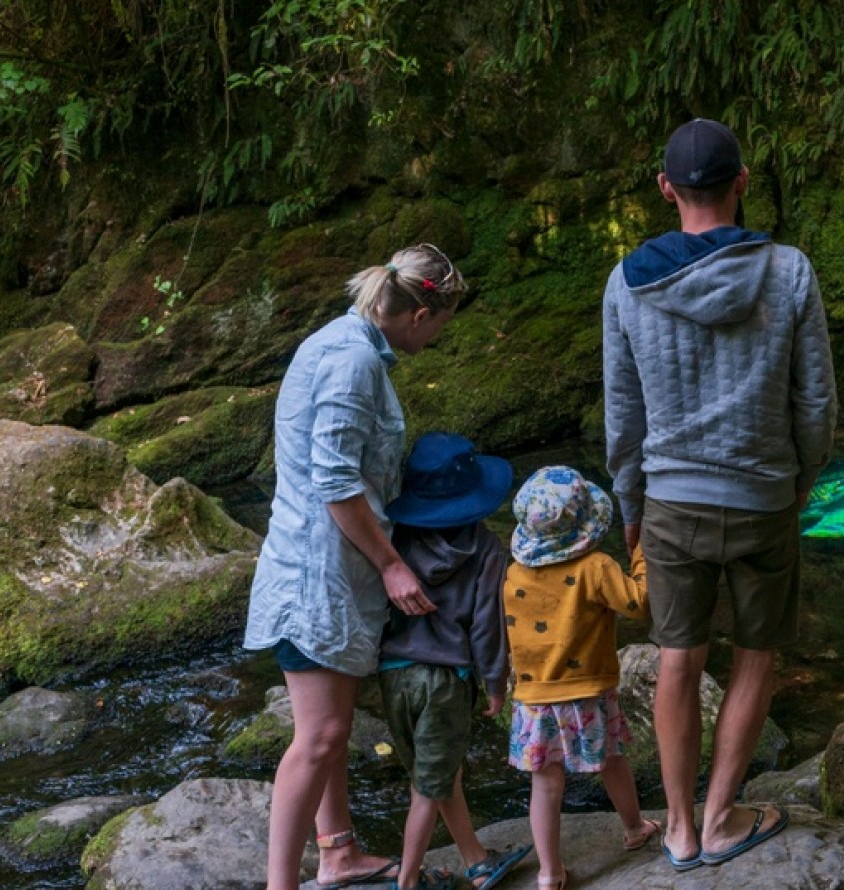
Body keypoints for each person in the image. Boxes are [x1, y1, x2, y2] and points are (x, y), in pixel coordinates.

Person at [602, 118, 837, 870]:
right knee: (758, 655)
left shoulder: (626, 282)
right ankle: (724, 815)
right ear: (742, 181)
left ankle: (676, 827)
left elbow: (623, 411)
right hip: (765, 495)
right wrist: (800, 480)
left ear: (667, 189)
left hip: (670, 500)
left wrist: (629, 506)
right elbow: (816, 402)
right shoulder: (790, 271)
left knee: (677, 656)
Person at [244, 243, 464, 890]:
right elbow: (335, 480)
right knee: (319, 735)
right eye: (444, 323)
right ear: (422, 314)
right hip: (317, 573)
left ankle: (337, 852)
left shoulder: (343, 339)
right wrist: (393, 565)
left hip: (319, 564)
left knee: (330, 729)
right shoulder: (354, 361)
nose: (441, 335)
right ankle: (283, 883)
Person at [374, 431, 531, 890]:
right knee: (429, 786)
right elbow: (487, 625)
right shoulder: (485, 548)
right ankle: (406, 881)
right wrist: (496, 683)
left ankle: (476, 859)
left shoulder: (393, 544)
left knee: (438, 773)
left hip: (392, 676)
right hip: (445, 681)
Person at [504, 466, 662, 890]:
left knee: (545, 782)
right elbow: (638, 603)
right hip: (587, 693)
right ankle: (634, 829)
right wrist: (642, 554)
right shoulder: (596, 566)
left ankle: (549, 873)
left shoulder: (515, 574)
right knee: (612, 759)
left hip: (533, 697)